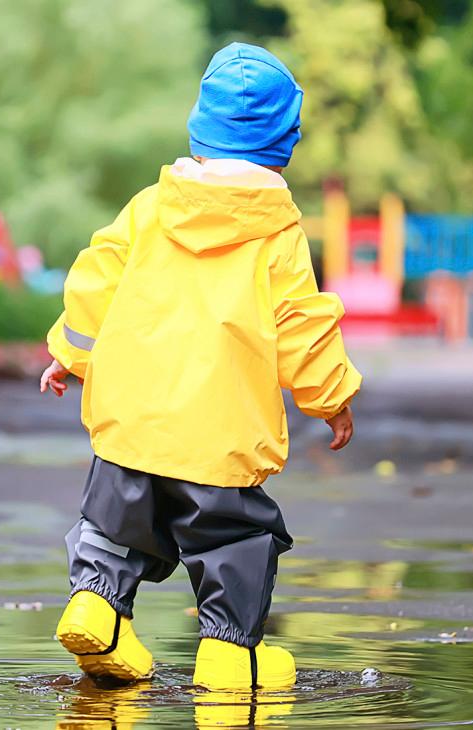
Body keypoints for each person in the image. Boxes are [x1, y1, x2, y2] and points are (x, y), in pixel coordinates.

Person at [36, 42, 361, 693]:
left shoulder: (152, 206)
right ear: (282, 141)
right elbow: (302, 319)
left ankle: (96, 607)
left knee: (112, 526)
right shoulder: (276, 231)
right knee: (233, 541)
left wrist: (69, 354)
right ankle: (228, 652)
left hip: (130, 422)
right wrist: (330, 398)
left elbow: (94, 277)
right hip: (219, 433)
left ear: (199, 125)